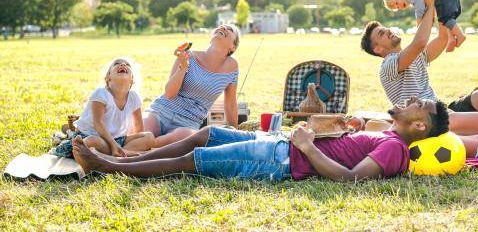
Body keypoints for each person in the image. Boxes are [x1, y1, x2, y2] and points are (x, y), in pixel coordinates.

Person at [71, 99, 451, 181]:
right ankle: (121, 161)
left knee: (196, 159)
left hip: (281, 159)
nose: (410, 102)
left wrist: (306, 146)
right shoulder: (384, 133)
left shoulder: (393, 147)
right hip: (281, 145)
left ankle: (108, 165)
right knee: (206, 133)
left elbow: (350, 178)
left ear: (420, 127)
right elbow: (347, 149)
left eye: (419, 106)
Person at [361, 0, 478, 113]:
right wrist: (430, 4)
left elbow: (442, 39)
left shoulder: (416, 56)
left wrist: (440, 7)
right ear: (378, 49)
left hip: (442, 111)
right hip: (427, 119)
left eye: (385, 28)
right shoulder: (388, 66)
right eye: (382, 33)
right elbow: (419, 42)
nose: (388, 31)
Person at [143, 24, 241, 147]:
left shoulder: (232, 67)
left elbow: (231, 104)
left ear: (233, 47)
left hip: (187, 124)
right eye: (220, 27)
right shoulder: (187, 55)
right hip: (160, 111)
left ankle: (143, 148)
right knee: (142, 131)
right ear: (211, 38)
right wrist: (183, 67)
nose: (223, 28)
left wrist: (236, 134)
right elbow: (169, 94)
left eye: (230, 29)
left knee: (186, 138)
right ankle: (140, 149)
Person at [53, 58, 154, 158]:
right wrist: (113, 144)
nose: (123, 65)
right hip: (94, 136)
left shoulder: (134, 97)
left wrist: (139, 143)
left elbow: (138, 126)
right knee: (92, 141)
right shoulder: (101, 94)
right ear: (108, 77)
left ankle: (121, 152)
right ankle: (119, 152)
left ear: (132, 79)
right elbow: (98, 123)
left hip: (119, 139)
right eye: (117, 64)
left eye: (127, 64)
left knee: (149, 137)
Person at [383, 0, 465, 52]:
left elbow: (420, 8)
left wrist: (419, 24)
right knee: (444, 18)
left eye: (397, 3)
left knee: (446, 18)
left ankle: (460, 35)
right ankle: (451, 38)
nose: (399, 7)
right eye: (397, 8)